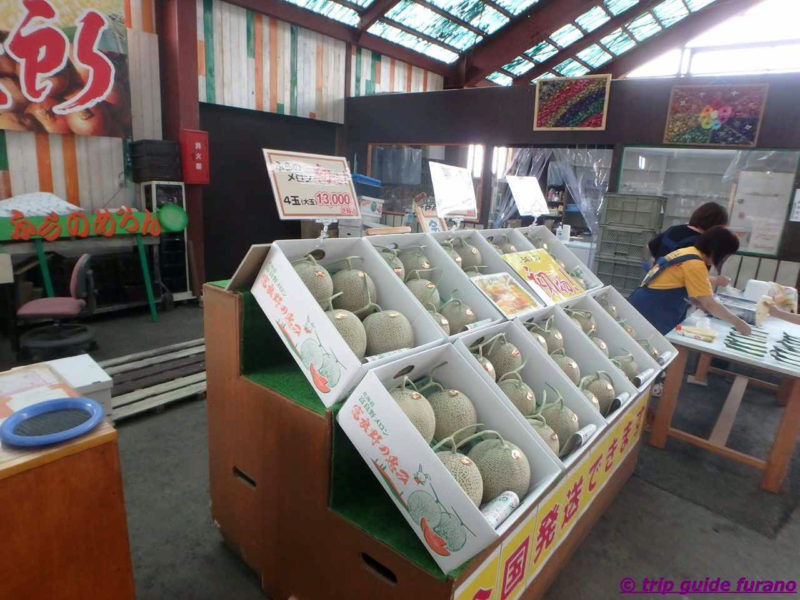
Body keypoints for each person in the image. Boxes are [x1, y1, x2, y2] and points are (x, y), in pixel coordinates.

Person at [629, 226, 751, 335]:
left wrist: (697, 302)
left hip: (640, 304)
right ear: (718, 251)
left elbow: (673, 285)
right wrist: (739, 323)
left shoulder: (687, 252)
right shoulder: (695, 263)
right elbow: (710, 303)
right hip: (650, 311)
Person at [646, 202, 731, 286]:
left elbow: (650, 247)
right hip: (673, 291)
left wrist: (655, 264)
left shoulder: (674, 229)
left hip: (651, 285)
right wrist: (717, 280)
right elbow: (693, 277)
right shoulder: (701, 244)